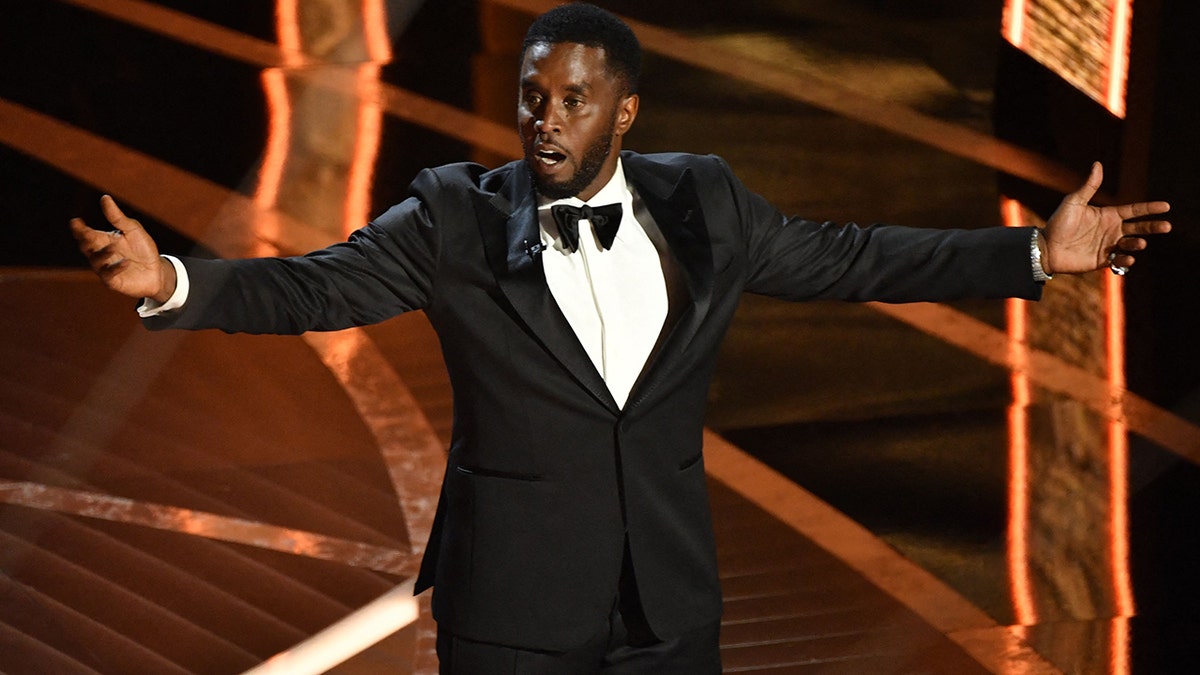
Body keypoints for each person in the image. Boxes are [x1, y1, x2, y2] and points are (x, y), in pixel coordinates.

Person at [70, 3, 1170, 673]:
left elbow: (852, 258)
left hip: (667, 614)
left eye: (574, 100)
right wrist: (170, 278)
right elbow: (315, 290)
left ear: (625, 115)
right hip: (512, 614)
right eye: (531, 96)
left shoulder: (708, 203)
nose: (545, 119)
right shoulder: (453, 216)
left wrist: (1032, 256)